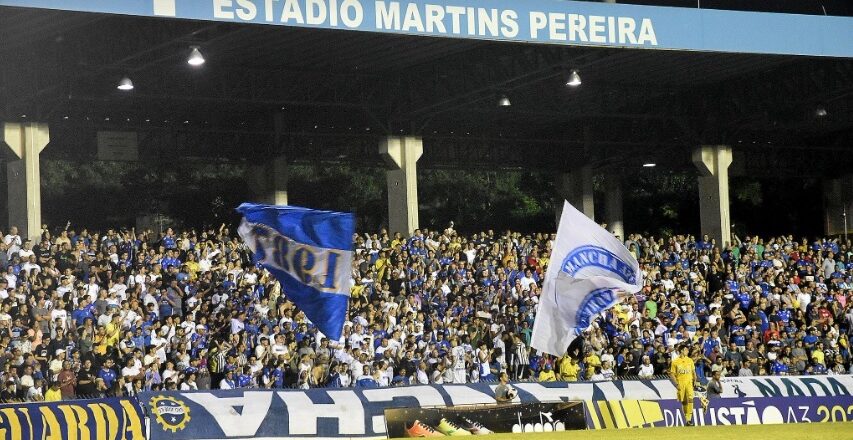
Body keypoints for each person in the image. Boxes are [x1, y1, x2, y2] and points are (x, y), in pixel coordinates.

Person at [671, 344, 698, 426]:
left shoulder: (690, 360)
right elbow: (672, 374)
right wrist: (676, 383)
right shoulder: (675, 362)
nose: (688, 351)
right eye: (686, 350)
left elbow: (693, 371)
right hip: (680, 383)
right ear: (682, 351)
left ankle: (689, 419)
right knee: (684, 401)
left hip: (689, 382)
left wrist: (695, 380)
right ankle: (687, 419)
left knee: (690, 398)